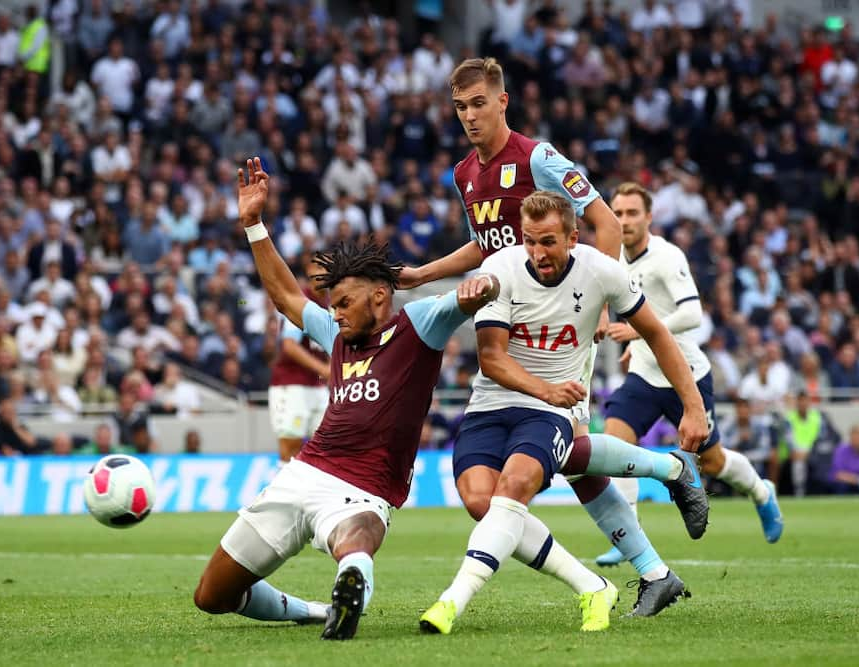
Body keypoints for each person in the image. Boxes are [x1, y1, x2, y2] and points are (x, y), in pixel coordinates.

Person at [399, 56, 680, 590]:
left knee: (568, 446)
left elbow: (603, 222)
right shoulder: (465, 174)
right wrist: (422, 274)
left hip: (559, 320)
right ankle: (656, 544)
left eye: (479, 103)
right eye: (460, 108)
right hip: (503, 323)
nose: (470, 116)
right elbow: (487, 246)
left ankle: (659, 522)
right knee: (569, 455)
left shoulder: (540, 158)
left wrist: (596, 306)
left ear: (502, 101)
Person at [193, 158, 499, 641]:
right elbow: (284, 299)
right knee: (212, 596)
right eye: (331, 305)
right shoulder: (334, 334)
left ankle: (351, 580)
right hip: (305, 473)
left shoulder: (416, 326)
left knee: (354, 540)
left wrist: (483, 287)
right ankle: (319, 609)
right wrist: (253, 225)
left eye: (343, 303)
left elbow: (467, 295)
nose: (333, 314)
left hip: (366, 489)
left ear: (380, 298)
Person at [419, 191, 709, 635]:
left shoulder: (601, 270)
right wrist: (547, 390)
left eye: (549, 242)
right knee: (493, 497)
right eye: (531, 241)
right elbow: (492, 358)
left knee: (519, 484)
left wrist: (694, 405)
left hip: (556, 400)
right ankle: (666, 486)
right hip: (497, 403)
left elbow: (656, 333)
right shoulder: (500, 268)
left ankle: (451, 602)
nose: (538, 253)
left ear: (573, 237)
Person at [592, 183, 783, 569]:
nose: (624, 220)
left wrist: (640, 331)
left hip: (686, 376)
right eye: (618, 213)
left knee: (711, 462)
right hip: (645, 374)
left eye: (632, 213)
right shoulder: (613, 260)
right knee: (614, 445)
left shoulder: (666, 256)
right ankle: (627, 536)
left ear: (649, 217)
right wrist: (637, 344)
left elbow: (693, 314)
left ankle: (762, 492)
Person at [268, 258, 331, 463]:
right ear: (309, 270)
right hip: (291, 384)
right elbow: (289, 345)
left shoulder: (332, 304)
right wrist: (324, 368)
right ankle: (285, 495)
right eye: (319, 267)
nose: (324, 272)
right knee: (290, 449)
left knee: (326, 447)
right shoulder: (300, 301)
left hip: (319, 387)